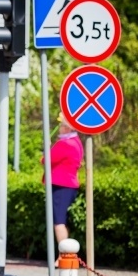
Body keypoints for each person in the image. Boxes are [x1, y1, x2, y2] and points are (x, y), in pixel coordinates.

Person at [41, 113, 83, 263]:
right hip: (69, 185)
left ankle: (64, 256)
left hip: (61, 185)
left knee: (58, 222)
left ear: (67, 128)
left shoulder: (65, 144)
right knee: (61, 221)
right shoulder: (76, 142)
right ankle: (65, 253)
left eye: (61, 125)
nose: (59, 128)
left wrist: (46, 148)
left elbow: (46, 160)